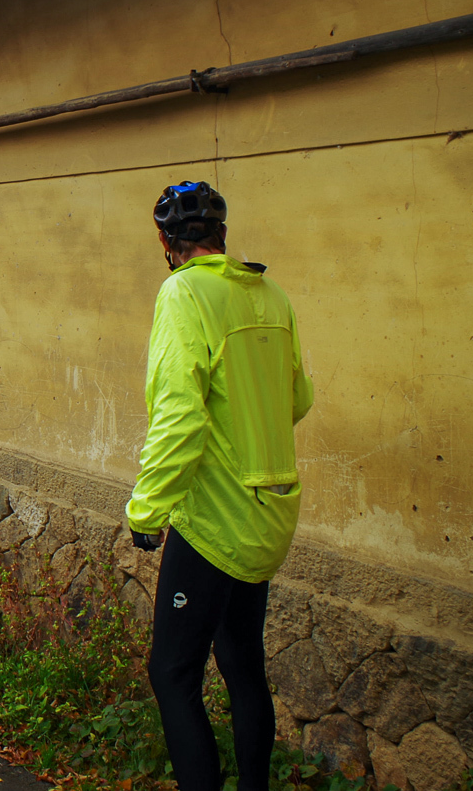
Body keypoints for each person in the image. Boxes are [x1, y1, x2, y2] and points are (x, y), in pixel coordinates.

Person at [126, 181, 313, 791]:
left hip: (214, 521)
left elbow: (179, 416)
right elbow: (298, 400)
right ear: (222, 237)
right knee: (241, 665)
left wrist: (147, 510)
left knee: (172, 673)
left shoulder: (183, 293)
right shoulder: (272, 294)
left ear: (166, 242)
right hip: (268, 517)